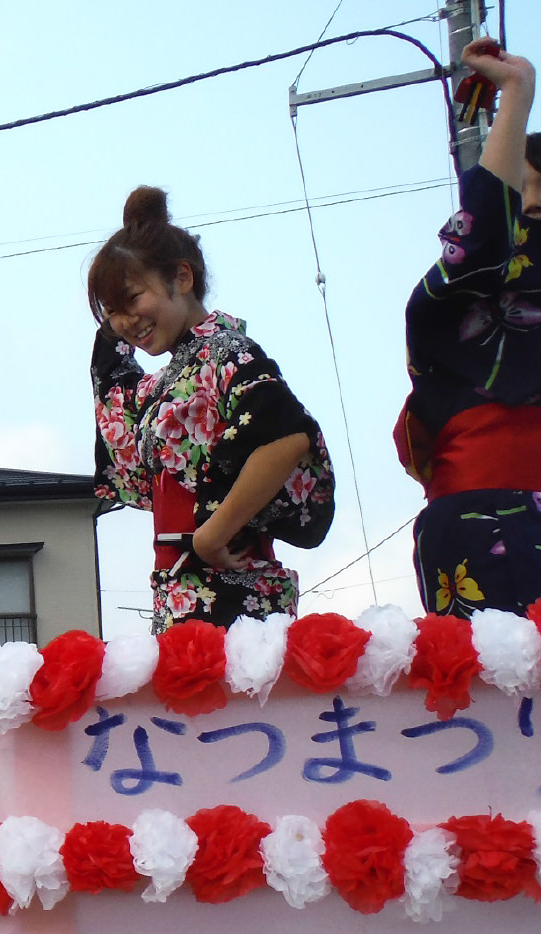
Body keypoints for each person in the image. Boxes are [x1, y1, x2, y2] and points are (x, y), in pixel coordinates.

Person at [399, 41, 541, 617]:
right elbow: (481, 234)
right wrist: (516, 95)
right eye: (522, 189)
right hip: (483, 520)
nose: (534, 201)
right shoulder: (479, 283)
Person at [90, 186, 336, 632]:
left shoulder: (227, 351)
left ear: (182, 278)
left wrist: (212, 534)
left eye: (133, 299)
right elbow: (111, 383)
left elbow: (286, 437)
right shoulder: (164, 382)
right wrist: (130, 241)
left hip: (231, 589)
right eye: (111, 311)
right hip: (179, 590)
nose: (125, 321)